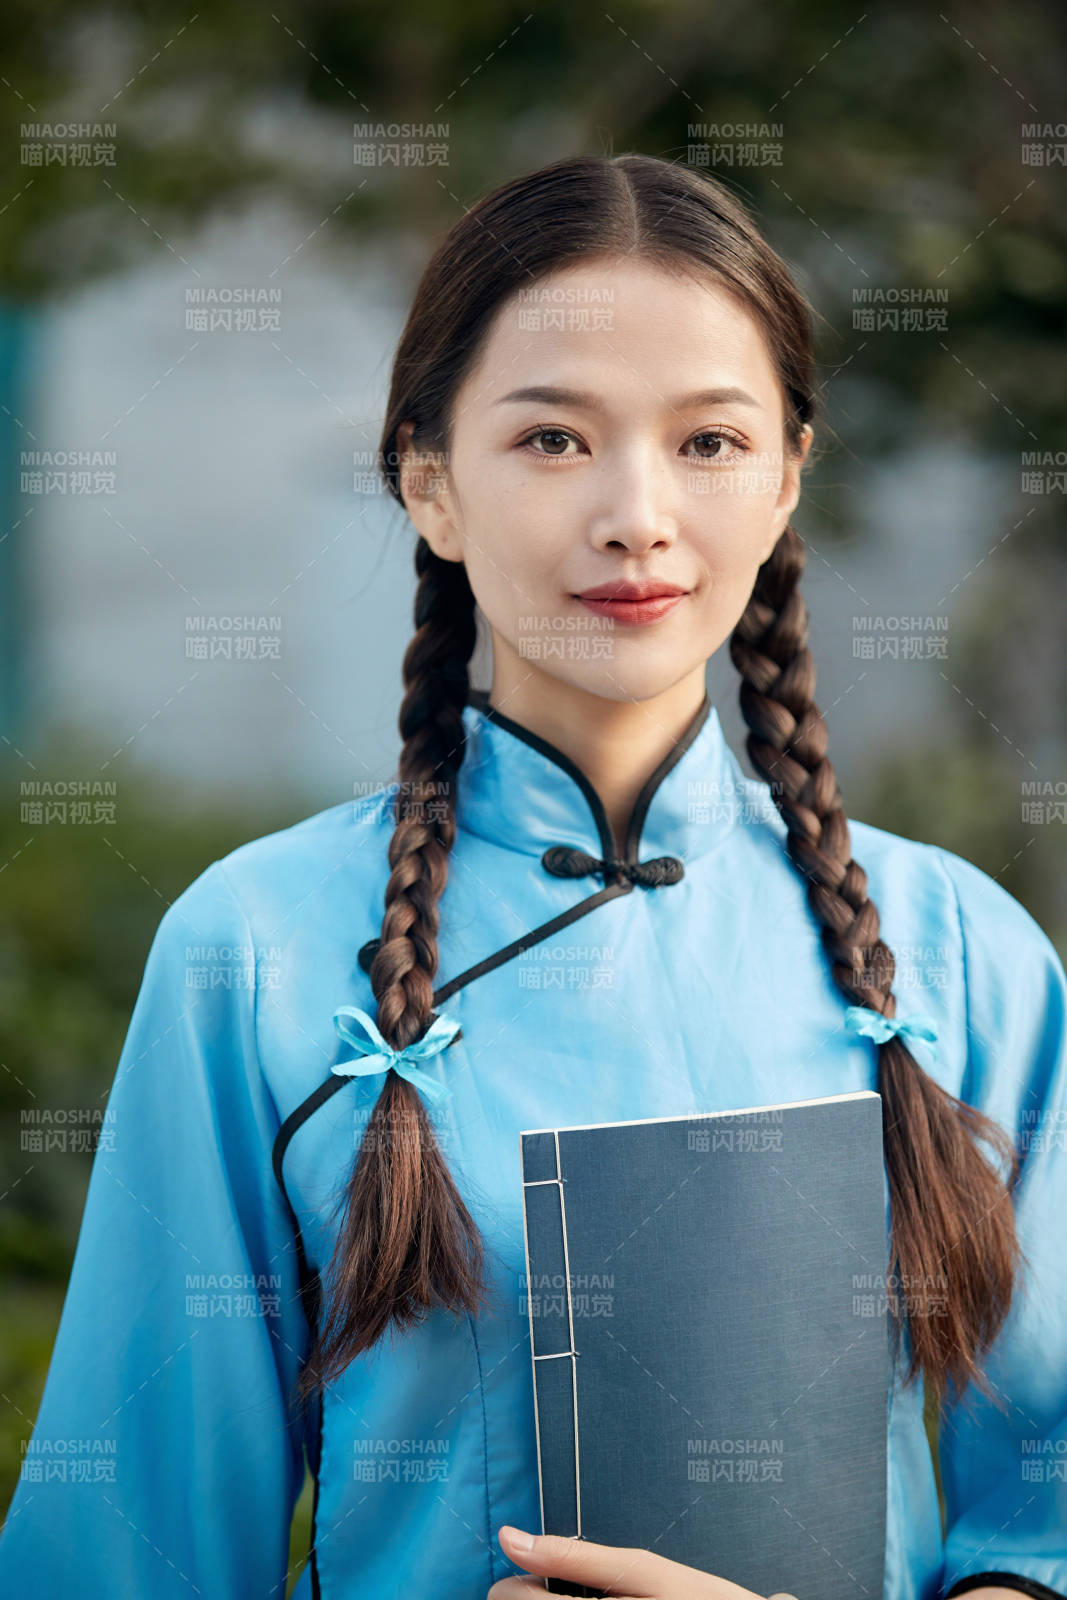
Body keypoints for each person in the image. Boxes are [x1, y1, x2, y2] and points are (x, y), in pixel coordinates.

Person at [1, 153, 1064, 1600]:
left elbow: (1044, 1525)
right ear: (428, 483)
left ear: (788, 477)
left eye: (708, 441)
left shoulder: (964, 960)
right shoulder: (251, 954)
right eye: (555, 440)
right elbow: (129, 1552)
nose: (636, 512)